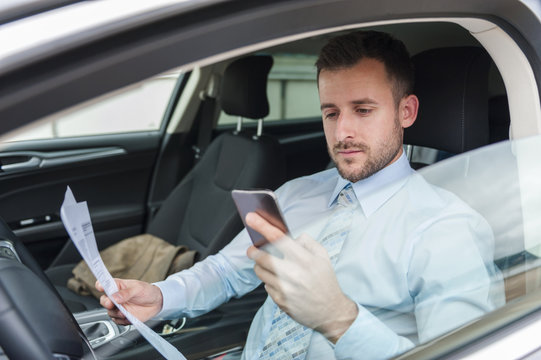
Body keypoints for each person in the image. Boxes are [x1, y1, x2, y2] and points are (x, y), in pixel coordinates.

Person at [98, 30, 504, 359]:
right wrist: (160, 296)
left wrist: (338, 319)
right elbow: (224, 272)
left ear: (406, 112)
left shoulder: (448, 229)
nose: (342, 131)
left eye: (363, 110)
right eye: (331, 112)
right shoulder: (296, 195)